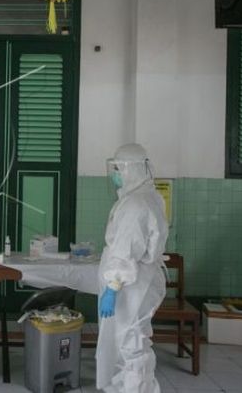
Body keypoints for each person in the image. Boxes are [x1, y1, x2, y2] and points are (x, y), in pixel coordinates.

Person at [96, 143, 169, 393]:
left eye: (118, 169)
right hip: (140, 280)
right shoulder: (148, 196)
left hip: (131, 285)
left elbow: (126, 249)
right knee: (131, 341)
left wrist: (113, 286)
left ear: (131, 170)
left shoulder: (135, 204)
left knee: (131, 343)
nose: (115, 174)